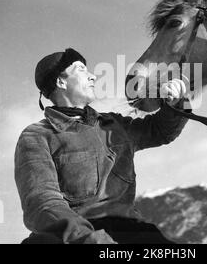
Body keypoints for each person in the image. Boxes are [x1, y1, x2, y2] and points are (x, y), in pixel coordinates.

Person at [15, 48, 189, 244]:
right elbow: (42, 202)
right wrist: (90, 240)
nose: (92, 76)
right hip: (72, 235)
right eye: (81, 70)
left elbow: (160, 131)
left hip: (129, 232)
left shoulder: (114, 125)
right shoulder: (36, 136)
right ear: (60, 81)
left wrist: (175, 103)